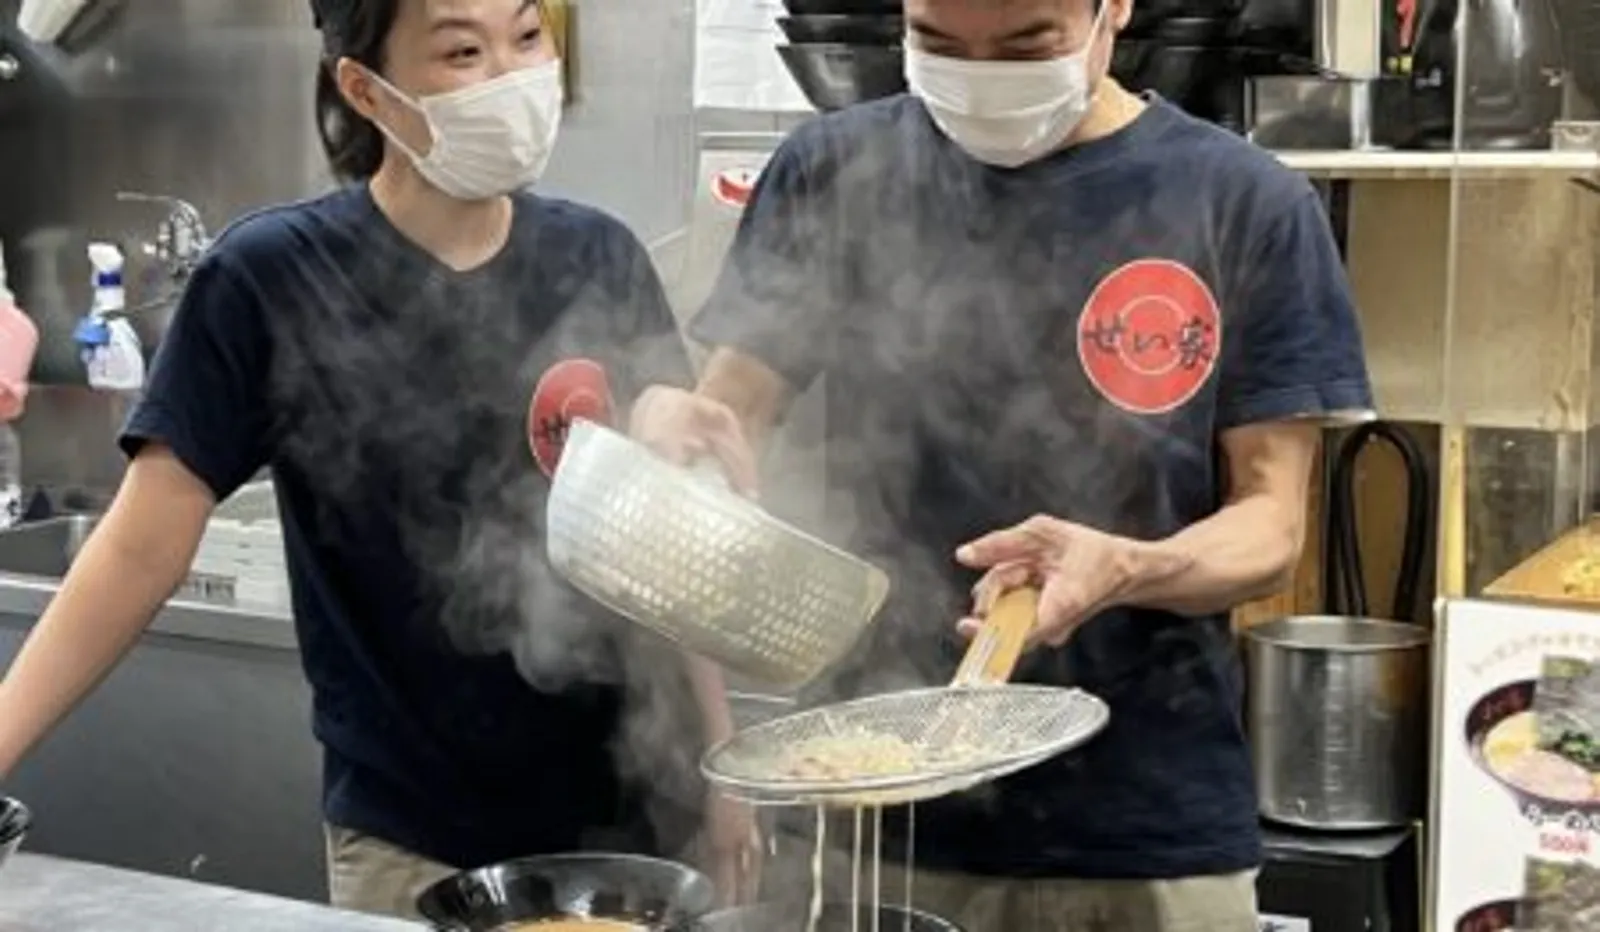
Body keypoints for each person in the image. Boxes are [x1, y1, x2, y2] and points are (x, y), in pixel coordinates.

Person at [0, 0, 755, 919]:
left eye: (527, 39)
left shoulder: (600, 255)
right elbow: (136, 549)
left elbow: (664, 550)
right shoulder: (270, 277)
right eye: (464, 51)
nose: (511, 78)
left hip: (635, 828)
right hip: (413, 845)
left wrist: (720, 762)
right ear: (364, 87)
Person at [630, 0, 1375, 929]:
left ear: (1116, 11)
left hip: (1144, 832)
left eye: (1028, 43)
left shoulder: (1246, 200)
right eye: (938, 43)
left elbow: (1272, 526)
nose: (981, 75)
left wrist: (1129, 567)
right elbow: (727, 422)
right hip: (878, 811)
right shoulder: (830, 171)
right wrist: (679, 439)